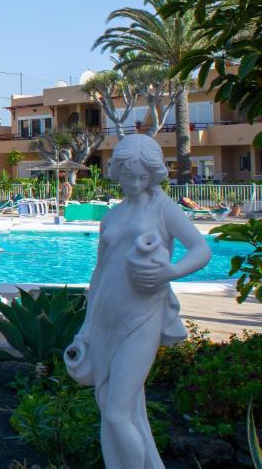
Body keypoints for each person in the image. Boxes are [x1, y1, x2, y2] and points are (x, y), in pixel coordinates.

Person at [65, 135, 211, 469]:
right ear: (117, 171)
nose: (135, 182)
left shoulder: (164, 209)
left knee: (117, 413)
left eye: (143, 176)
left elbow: (201, 250)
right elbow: (100, 272)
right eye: (128, 175)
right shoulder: (112, 216)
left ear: (154, 173)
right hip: (105, 317)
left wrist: (169, 272)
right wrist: (86, 328)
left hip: (142, 317)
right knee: (111, 405)